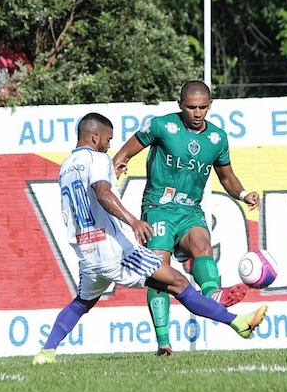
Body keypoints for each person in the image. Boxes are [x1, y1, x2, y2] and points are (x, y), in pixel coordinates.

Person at [32, 112, 267, 365]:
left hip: (88, 252)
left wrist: (114, 176)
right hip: (114, 250)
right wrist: (133, 221)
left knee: (82, 302)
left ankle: (46, 352)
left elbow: (91, 198)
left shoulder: (66, 166)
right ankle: (238, 323)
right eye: (108, 140)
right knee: (178, 282)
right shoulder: (97, 158)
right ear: (95, 136)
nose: (110, 146)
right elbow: (102, 194)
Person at [112, 80, 261, 357]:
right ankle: (164, 342)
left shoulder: (217, 138)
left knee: (202, 244)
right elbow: (125, 152)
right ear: (180, 105)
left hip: (190, 210)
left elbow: (226, 177)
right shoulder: (161, 126)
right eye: (191, 107)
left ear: (210, 106)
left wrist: (243, 194)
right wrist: (115, 168)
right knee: (158, 271)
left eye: (203, 107)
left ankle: (214, 294)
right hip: (157, 209)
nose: (197, 113)